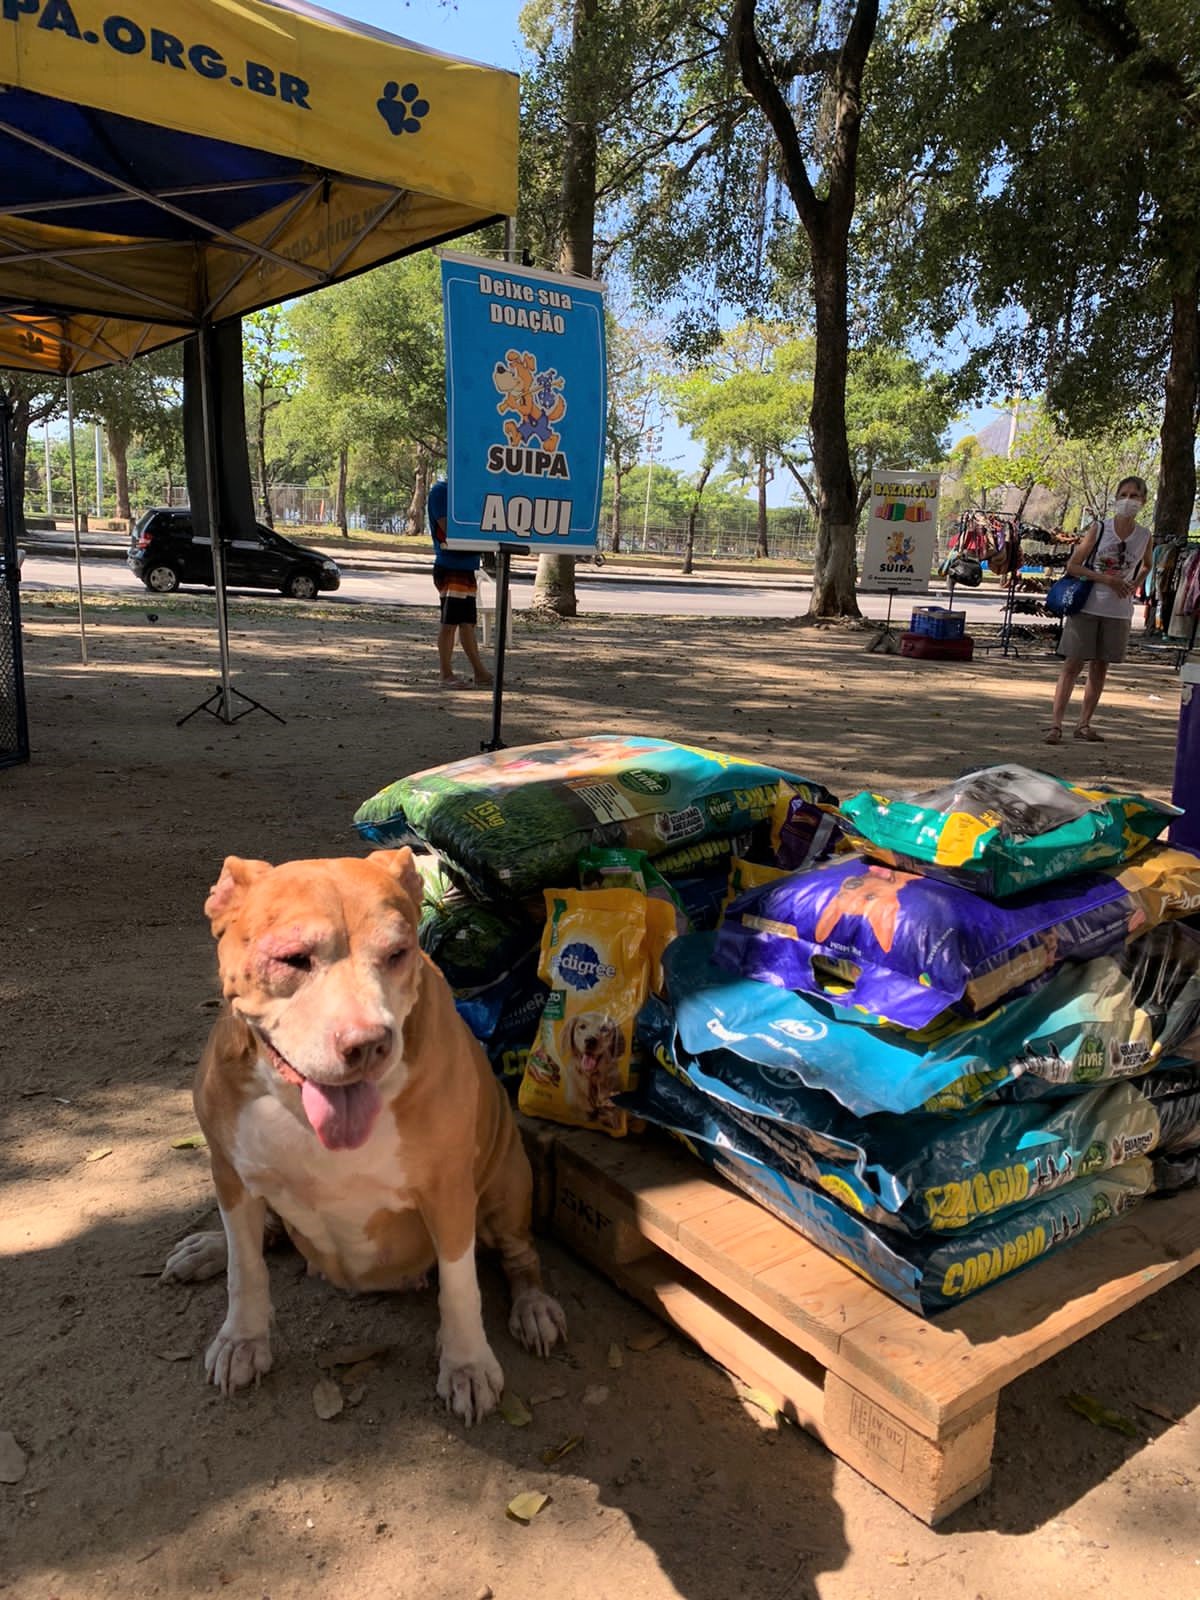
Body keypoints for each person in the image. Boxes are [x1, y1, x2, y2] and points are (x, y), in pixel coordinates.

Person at [1044, 475, 1152, 744]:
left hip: (1118, 611)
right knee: (1072, 664)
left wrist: (1135, 584)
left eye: (1134, 496)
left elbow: (1148, 564)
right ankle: (1056, 725)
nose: (1128, 501)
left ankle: (1084, 724)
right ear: (1116, 499)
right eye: (1123, 495)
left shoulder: (1145, 535)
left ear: (1143, 501)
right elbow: (1073, 565)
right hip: (1088, 605)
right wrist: (1106, 579)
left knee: (1100, 667)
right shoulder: (1100, 529)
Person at [428, 479, 493, 690]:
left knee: (467, 623)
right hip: (451, 566)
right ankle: (445, 674)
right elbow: (449, 528)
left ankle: (480, 672)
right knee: (450, 623)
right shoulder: (441, 491)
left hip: (467, 567)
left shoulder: (470, 490)